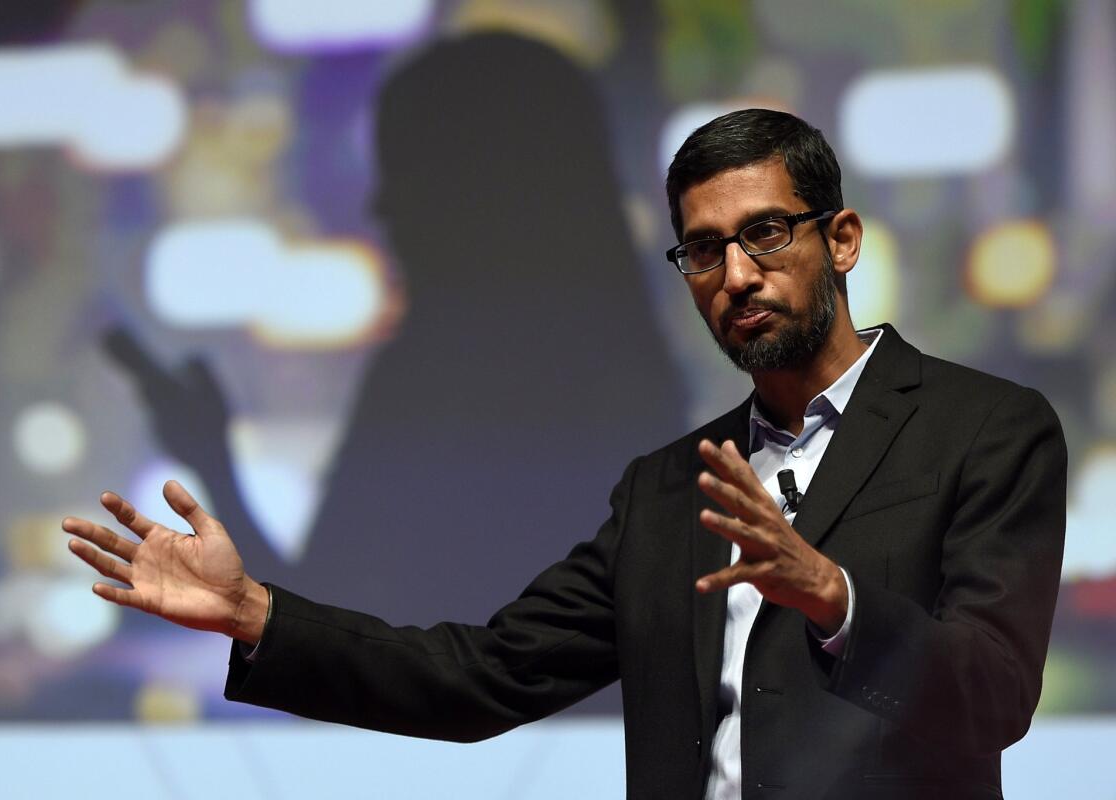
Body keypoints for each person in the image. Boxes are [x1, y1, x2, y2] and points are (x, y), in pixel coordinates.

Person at [62, 109, 1067, 800]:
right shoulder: (671, 486)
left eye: (765, 234)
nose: (736, 274)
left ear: (840, 237)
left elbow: (994, 693)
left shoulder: (984, 428)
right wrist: (256, 614)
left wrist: (832, 595)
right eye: (703, 250)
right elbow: (479, 676)